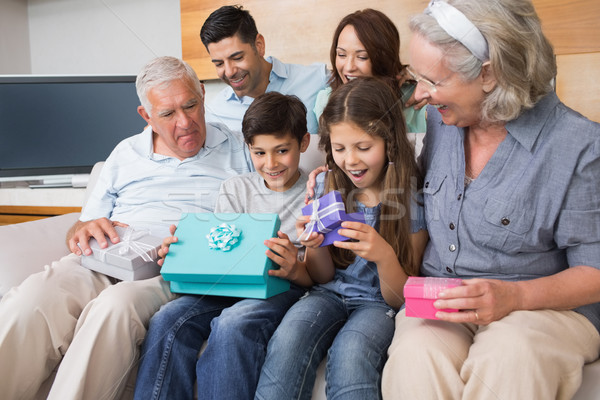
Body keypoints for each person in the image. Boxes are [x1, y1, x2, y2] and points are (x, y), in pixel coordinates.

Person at [0, 56, 253, 400]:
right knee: (30, 302)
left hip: (172, 269)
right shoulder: (125, 153)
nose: (185, 123)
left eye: (191, 105)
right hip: (108, 256)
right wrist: (84, 228)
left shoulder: (242, 148)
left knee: (113, 308)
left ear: (203, 94)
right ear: (146, 116)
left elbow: (260, 222)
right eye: (167, 114)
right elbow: (81, 225)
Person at [381, 1, 600, 399]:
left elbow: (595, 272)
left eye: (433, 80)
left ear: (489, 74)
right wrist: (332, 180)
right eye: (418, 78)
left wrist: (515, 297)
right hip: (445, 297)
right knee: (416, 354)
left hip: (540, 309)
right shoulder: (442, 119)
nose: (422, 94)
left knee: (511, 356)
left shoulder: (579, 145)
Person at [133, 92, 326, 400]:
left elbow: (319, 278)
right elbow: (218, 253)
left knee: (233, 323)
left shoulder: (316, 193)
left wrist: (296, 269)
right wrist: (183, 250)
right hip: (228, 286)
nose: (271, 163)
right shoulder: (235, 189)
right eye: (260, 153)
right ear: (248, 149)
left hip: (283, 287)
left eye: (282, 151)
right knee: (167, 319)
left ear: (303, 144)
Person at [255, 77, 429, 400]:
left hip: (378, 304)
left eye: (363, 147)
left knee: (351, 354)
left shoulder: (409, 199)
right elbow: (322, 276)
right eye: (339, 148)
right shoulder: (328, 185)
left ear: (389, 142)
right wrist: (314, 244)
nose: (350, 160)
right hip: (328, 294)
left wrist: (383, 255)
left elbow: (401, 297)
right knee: (289, 338)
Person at [200, 5, 328, 134]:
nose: (229, 72)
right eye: (219, 64)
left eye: (237, 58)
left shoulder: (318, 79)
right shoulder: (215, 113)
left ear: (259, 45)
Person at [313, 8, 426, 134]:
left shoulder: (417, 99)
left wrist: (429, 81)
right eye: (341, 54)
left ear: (384, 59)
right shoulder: (326, 101)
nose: (349, 67)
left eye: (362, 57)